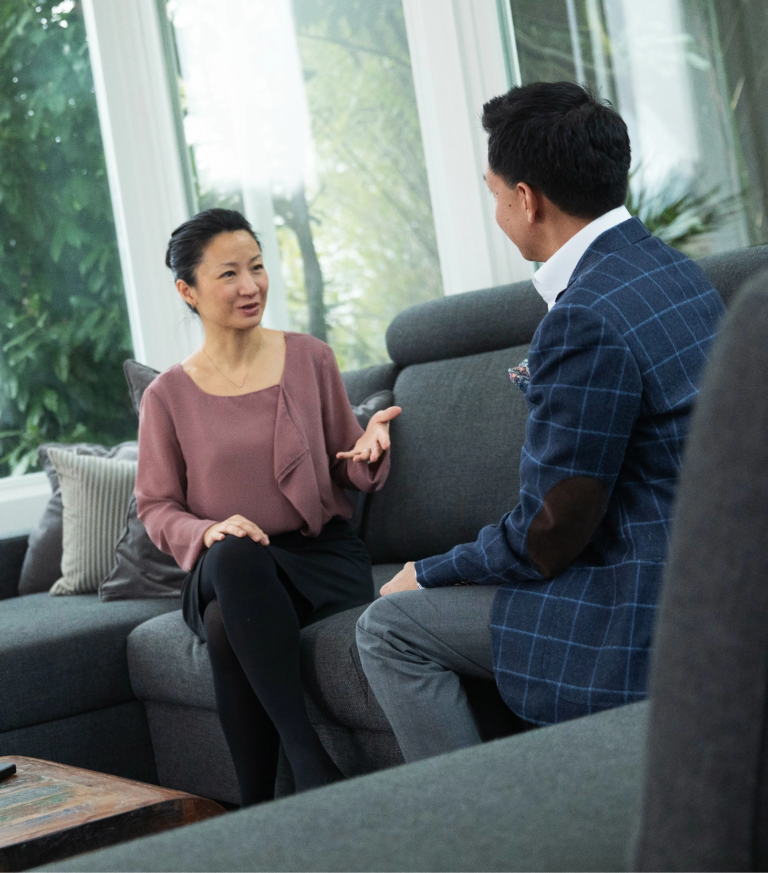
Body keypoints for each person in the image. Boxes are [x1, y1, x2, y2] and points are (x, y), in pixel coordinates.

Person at [355, 81, 726, 763]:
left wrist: (431, 570)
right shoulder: (678, 272)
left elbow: (549, 534)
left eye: (494, 192)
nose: (497, 208)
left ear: (526, 199)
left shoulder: (582, 317)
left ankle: (484, 834)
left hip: (638, 606)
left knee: (387, 626)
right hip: (713, 575)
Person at [135, 208, 400, 805]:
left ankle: (257, 809)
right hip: (225, 563)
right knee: (233, 555)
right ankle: (308, 759)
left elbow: (344, 463)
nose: (250, 286)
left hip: (319, 558)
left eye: (256, 267)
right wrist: (205, 530)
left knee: (228, 627)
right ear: (188, 290)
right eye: (228, 274)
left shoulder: (309, 359)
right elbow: (155, 505)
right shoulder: (167, 396)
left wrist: (367, 450)